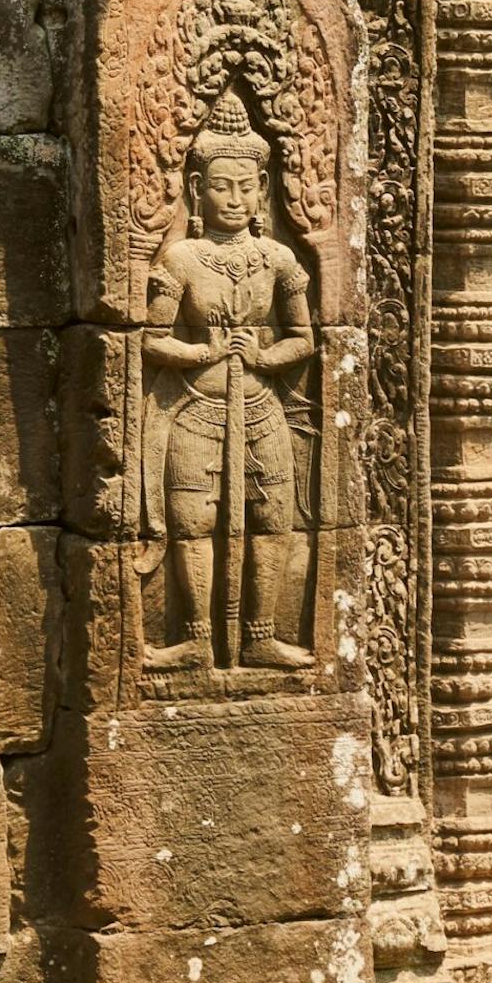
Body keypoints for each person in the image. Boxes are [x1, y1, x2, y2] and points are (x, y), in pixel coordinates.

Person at [143, 90, 315, 672]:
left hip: (262, 409)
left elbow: (305, 340)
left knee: (272, 521)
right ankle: (196, 637)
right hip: (197, 409)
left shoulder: (279, 260)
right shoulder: (181, 260)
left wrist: (265, 358)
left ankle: (261, 636)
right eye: (221, 186)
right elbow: (150, 340)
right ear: (197, 191)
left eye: (246, 186)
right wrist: (200, 350)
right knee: (195, 526)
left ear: (263, 190)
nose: (235, 199)